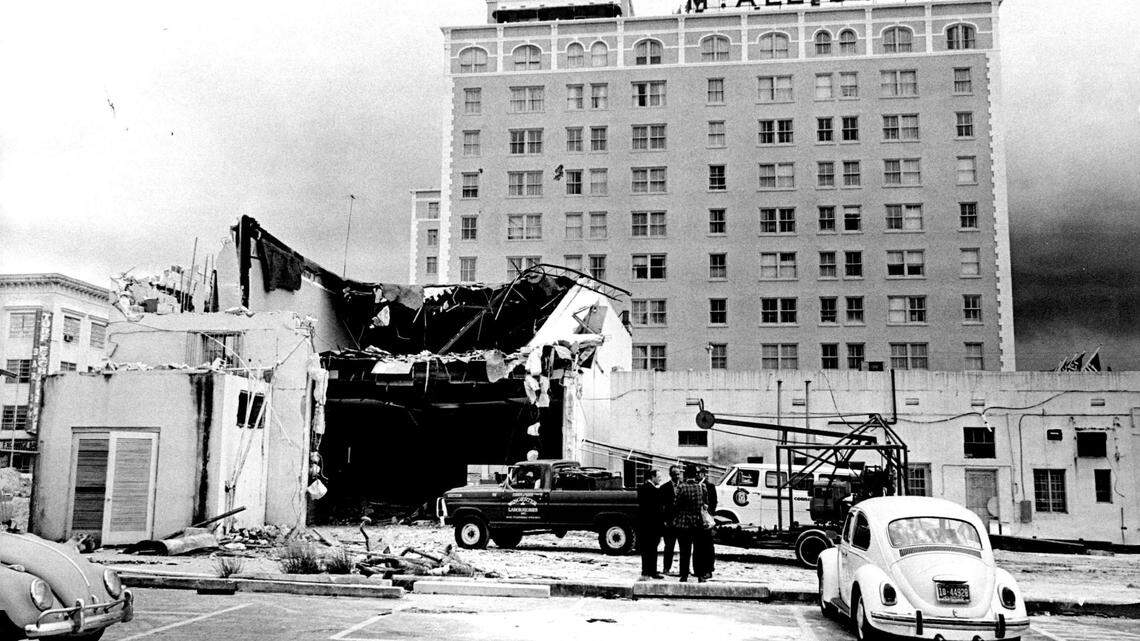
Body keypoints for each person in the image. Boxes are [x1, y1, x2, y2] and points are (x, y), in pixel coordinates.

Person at [671, 464, 707, 583]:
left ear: (685, 474)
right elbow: (704, 503)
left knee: (684, 551)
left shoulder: (681, 487)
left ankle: (684, 575)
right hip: (698, 522)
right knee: (699, 550)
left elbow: (676, 505)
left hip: (684, 523)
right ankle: (700, 575)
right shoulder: (701, 487)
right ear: (695, 474)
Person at [637, 469, 664, 580]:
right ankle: (651, 571)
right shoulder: (653, 490)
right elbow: (657, 510)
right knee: (652, 549)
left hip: (644, 524)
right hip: (653, 525)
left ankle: (646, 570)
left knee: (646, 549)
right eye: (658, 477)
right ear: (652, 477)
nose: (660, 479)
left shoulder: (642, 488)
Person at [658, 465, 682, 575]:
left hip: (682, 523)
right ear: (670, 475)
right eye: (675, 474)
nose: (677, 476)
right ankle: (666, 568)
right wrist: (664, 520)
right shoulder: (664, 488)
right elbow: (661, 506)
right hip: (669, 523)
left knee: (684, 547)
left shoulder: (684, 486)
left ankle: (683, 570)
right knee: (669, 547)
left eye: (678, 474)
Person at [696, 465, 717, 581]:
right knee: (698, 546)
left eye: (699, 473)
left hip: (707, 519)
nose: (697, 475)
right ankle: (699, 570)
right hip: (697, 520)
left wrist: (708, 514)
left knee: (708, 546)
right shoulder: (694, 485)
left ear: (704, 474)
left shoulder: (710, 486)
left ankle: (709, 570)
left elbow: (714, 502)